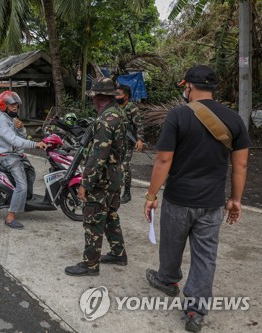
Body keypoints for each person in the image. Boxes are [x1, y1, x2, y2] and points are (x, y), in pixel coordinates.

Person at [143, 65, 250, 333]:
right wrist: (235, 200)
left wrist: (151, 195)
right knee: (206, 256)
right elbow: (241, 166)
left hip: (179, 198)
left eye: (185, 87)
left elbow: (164, 159)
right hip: (212, 202)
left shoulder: (178, 115)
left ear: (189, 86)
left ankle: (167, 280)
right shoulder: (235, 120)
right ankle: (195, 310)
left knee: (171, 243)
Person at [65, 78, 127, 276]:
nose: (92, 101)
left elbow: (97, 156)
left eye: (93, 97)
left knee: (93, 221)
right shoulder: (118, 113)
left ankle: (89, 265)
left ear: (99, 98)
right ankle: (118, 253)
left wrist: (85, 183)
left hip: (102, 179)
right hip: (115, 175)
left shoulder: (104, 121)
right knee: (110, 215)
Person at [0, 90, 47, 229]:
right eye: (12, 105)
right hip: (7, 156)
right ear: (3, 105)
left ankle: (23, 201)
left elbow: (20, 136)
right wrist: (35, 144)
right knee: (21, 185)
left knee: (31, 172)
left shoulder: (10, 118)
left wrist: (22, 128)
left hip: (16, 154)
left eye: (16, 105)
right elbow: (13, 140)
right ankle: (10, 217)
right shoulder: (0, 119)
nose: (15, 107)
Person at [116, 84, 144, 203]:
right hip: (116, 141)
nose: (116, 96)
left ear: (126, 96)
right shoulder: (115, 107)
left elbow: (139, 125)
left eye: (119, 94)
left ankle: (127, 193)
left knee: (125, 166)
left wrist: (140, 139)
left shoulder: (132, 108)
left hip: (128, 142)